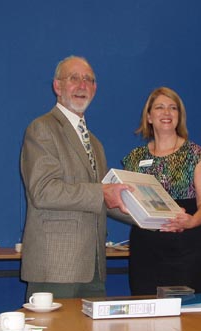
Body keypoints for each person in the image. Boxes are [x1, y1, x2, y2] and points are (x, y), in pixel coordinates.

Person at [20, 55, 131, 300]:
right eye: (74, 78)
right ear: (57, 86)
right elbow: (43, 191)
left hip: (94, 267)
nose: (82, 85)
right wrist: (102, 192)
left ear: (95, 89)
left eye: (89, 80)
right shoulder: (42, 128)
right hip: (55, 267)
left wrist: (150, 217)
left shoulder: (95, 143)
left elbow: (103, 200)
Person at [122, 86, 201, 295]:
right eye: (160, 107)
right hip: (145, 250)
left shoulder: (195, 154)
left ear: (179, 116)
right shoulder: (134, 158)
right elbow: (128, 204)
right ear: (149, 117)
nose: (166, 113)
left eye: (173, 108)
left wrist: (192, 220)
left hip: (186, 248)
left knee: (188, 320)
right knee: (146, 315)